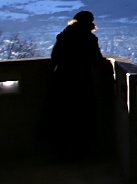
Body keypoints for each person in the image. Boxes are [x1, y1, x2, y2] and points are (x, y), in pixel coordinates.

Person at [46, 10, 112, 159]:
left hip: (62, 79)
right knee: (82, 114)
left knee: (62, 114)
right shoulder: (89, 38)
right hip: (81, 80)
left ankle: (61, 149)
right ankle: (81, 149)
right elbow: (96, 60)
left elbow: (54, 57)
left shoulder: (63, 36)